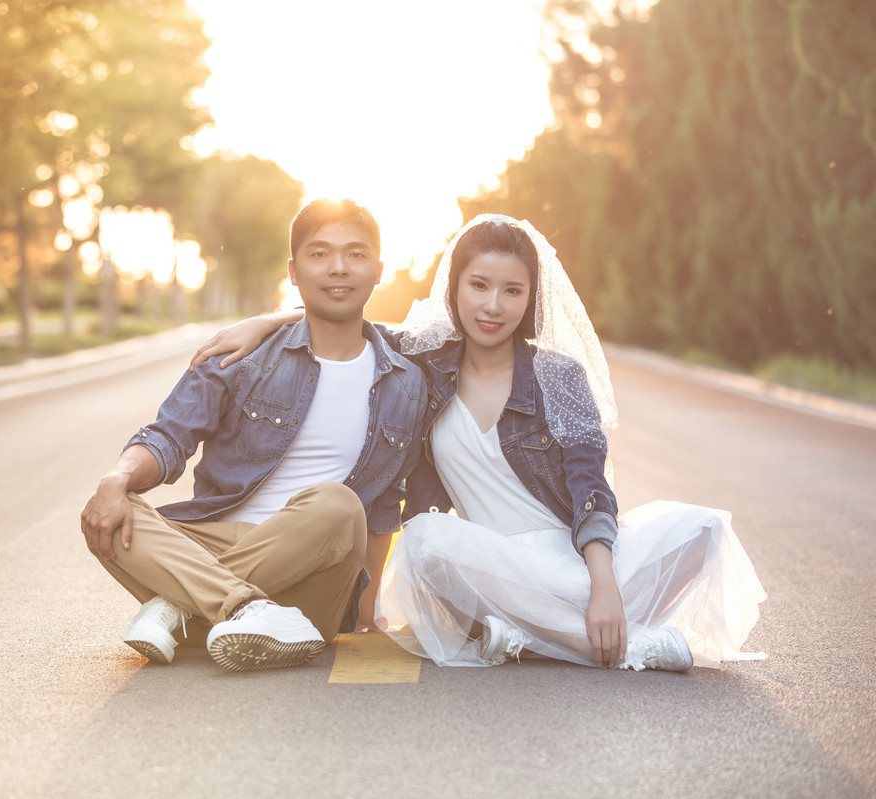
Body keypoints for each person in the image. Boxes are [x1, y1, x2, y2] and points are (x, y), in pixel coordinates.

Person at [191, 213, 766, 671]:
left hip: (571, 558)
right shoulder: (423, 365)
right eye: (480, 286)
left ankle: (535, 637)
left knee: (706, 526)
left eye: (512, 291)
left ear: (530, 298)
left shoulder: (558, 375)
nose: (494, 306)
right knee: (427, 541)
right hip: (489, 566)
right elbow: (347, 319)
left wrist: (604, 585)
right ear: (455, 289)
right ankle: (626, 647)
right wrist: (265, 322)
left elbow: (591, 486)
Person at [80, 198, 429, 673]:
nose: (338, 268)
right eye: (319, 254)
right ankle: (243, 610)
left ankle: (180, 604)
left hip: (319, 569)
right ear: (294, 270)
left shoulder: (407, 382)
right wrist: (116, 479)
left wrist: (367, 614)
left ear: (378, 270)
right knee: (111, 513)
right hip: (218, 539)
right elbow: (168, 436)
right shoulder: (241, 358)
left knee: (338, 503)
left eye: (356, 254)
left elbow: (384, 505)